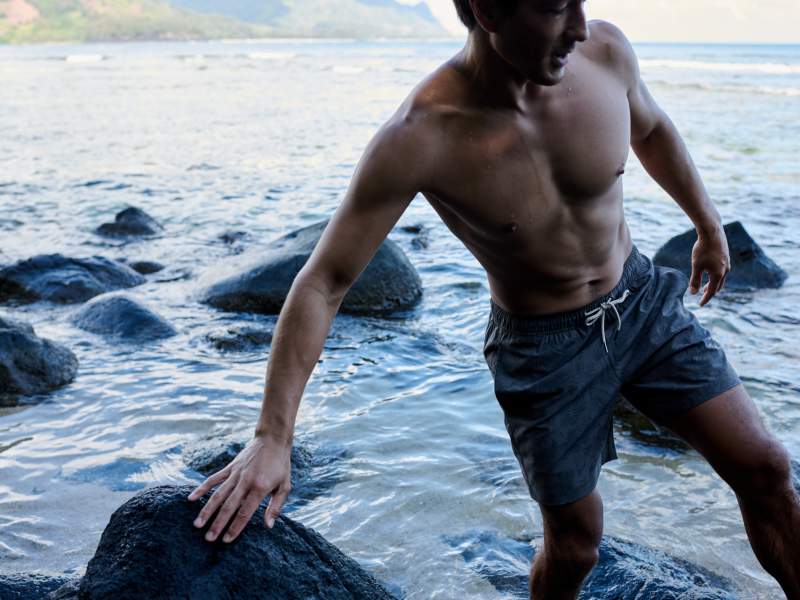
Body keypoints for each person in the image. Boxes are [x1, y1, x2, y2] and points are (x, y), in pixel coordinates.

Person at [189, 0, 800, 597]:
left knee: (767, 470)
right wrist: (273, 435)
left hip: (639, 301)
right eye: (557, 7)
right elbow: (322, 282)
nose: (580, 27)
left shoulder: (606, 53)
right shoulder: (421, 135)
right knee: (576, 545)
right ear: (486, 11)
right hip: (543, 350)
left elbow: (653, 128)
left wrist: (707, 223)